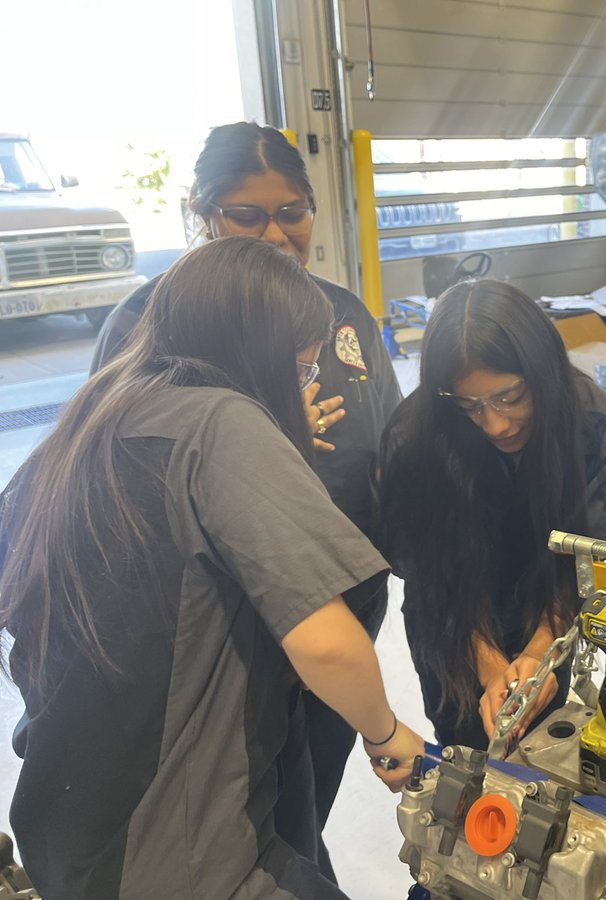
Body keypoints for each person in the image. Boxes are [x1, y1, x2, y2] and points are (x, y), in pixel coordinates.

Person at [0, 237, 424, 898]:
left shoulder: (97, 409)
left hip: (60, 817)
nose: (306, 388)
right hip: (174, 855)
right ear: (262, 359)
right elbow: (328, 645)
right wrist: (387, 735)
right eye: (304, 371)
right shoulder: (222, 423)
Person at [91, 122, 400, 877]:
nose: (276, 234)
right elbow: (120, 486)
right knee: (240, 822)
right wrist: (277, 449)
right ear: (202, 213)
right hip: (220, 642)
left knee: (303, 804)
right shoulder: (145, 323)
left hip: (338, 616)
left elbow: (392, 451)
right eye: (247, 215)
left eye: (293, 211)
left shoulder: (341, 317)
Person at [377, 280, 606, 748]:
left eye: (510, 397)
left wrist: (540, 654)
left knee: (545, 750)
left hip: (551, 606)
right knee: (465, 749)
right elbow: (430, 575)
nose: (495, 423)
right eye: (470, 406)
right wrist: (490, 666)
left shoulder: (594, 426)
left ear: (542, 374)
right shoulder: (413, 439)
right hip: (449, 620)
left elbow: (591, 563)